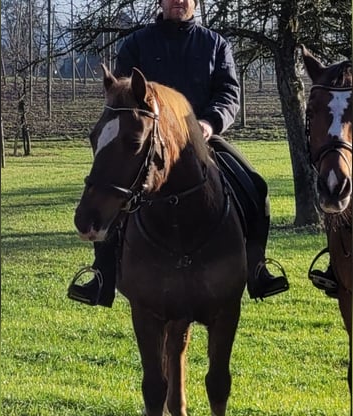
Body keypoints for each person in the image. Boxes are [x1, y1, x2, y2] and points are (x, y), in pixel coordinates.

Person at [67, 0, 289, 307]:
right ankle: (102, 276)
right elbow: (121, 94)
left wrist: (209, 123)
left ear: (195, 3)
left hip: (201, 140)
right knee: (111, 192)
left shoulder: (215, 44)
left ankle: (256, 268)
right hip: (148, 145)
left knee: (255, 186)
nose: (178, 1)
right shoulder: (137, 43)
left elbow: (228, 93)